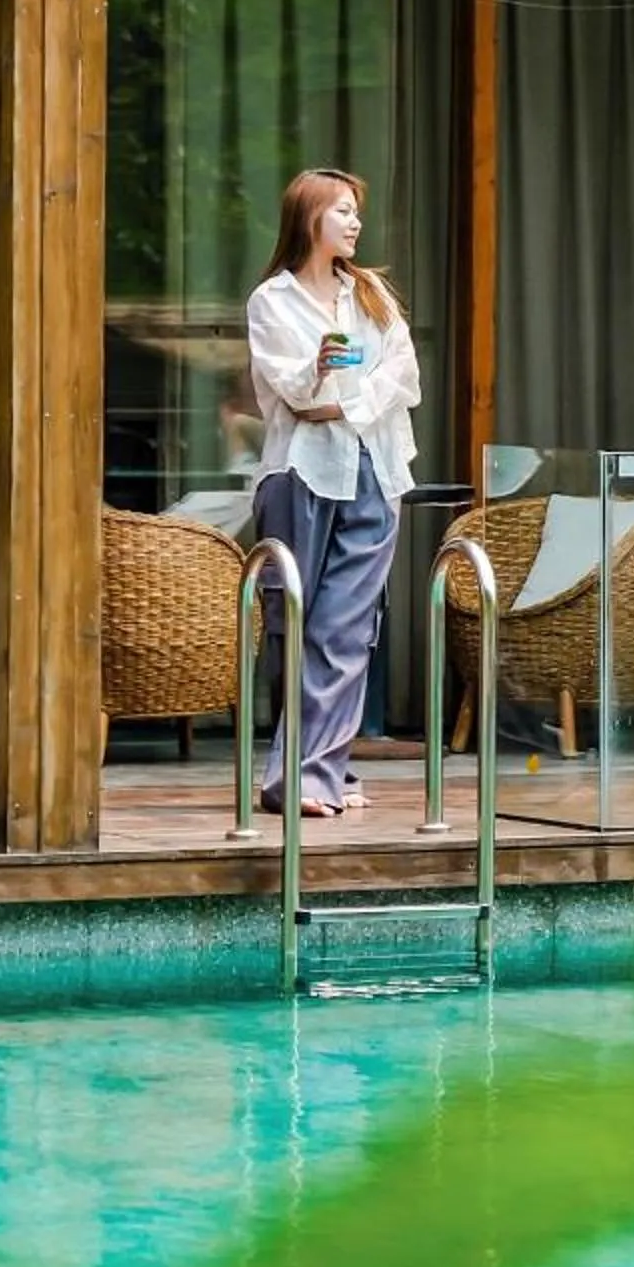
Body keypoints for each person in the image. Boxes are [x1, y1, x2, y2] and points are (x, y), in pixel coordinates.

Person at [246, 168, 420, 817]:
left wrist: (347, 403)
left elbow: (403, 372)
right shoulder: (272, 300)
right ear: (309, 218)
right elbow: (289, 391)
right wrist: (320, 372)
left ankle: (307, 776)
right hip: (301, 472)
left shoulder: (371, 293)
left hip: (375, 468)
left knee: (345, 627)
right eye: (343, 211)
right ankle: (318, 768)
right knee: (295, 624)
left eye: (356, 212)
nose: (355, 223)